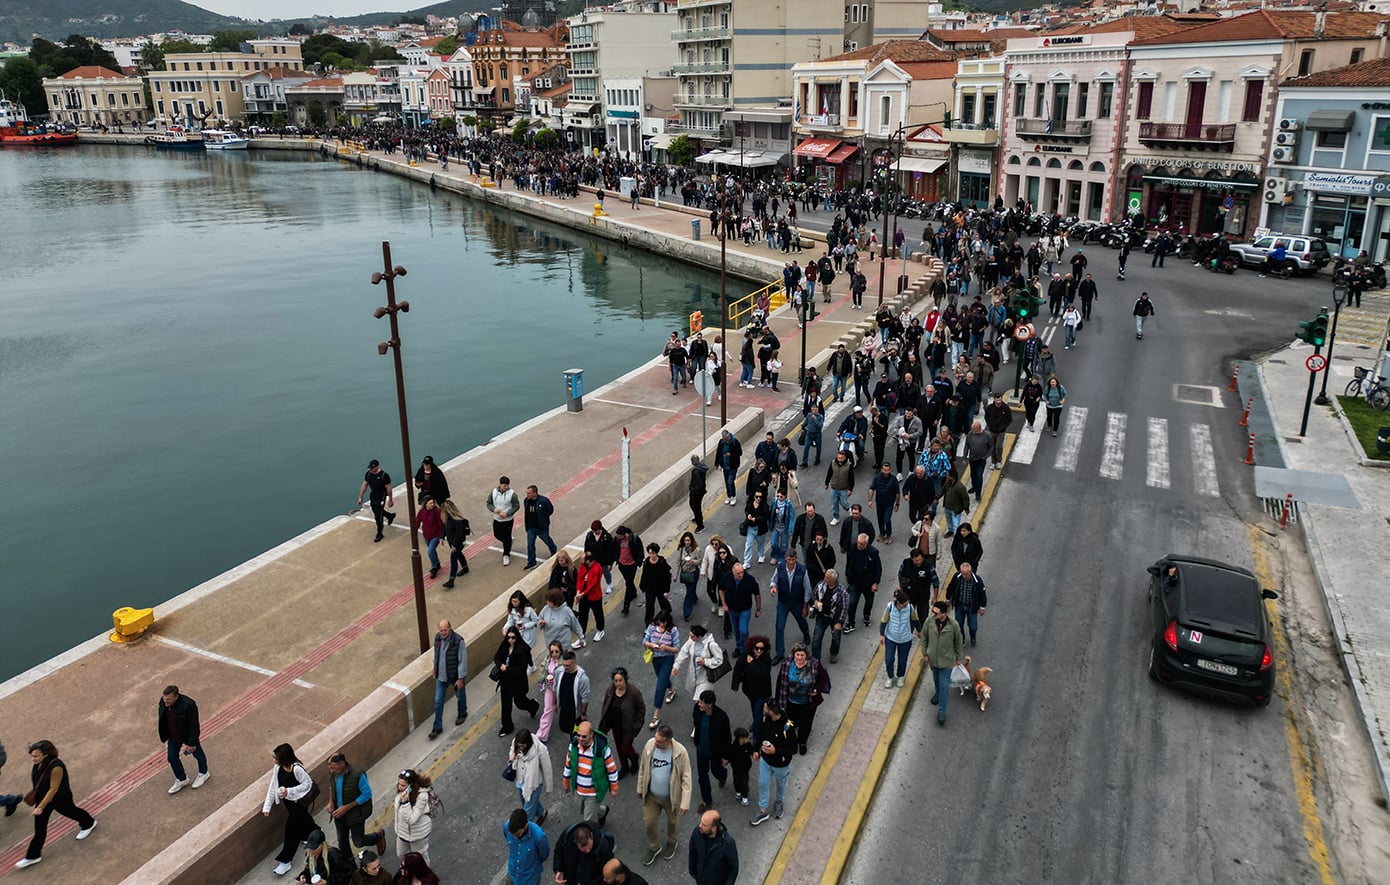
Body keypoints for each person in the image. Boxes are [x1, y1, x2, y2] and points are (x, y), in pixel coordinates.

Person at [16, 740, 96, 870]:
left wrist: (40, 807)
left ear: (46, 754)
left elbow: (53, 789)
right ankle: (33, 855)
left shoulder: (56, 767)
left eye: (36, 756)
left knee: (71, 812)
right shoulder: (38, 764)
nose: (33, 759)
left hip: (60, 798)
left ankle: (88, 823)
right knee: (40, 829)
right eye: (32, 756)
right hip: (44, 799)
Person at [636, 724, 692, 867]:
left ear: (668, 741)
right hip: (652, 796)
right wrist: (640, 787)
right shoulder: (650, 746)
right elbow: (643, 767)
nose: (655, 742)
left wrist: (685, 803)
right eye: (655, 739)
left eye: (659, 741)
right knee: (649, 823)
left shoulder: (680, 753)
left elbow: (686, 778)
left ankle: (672, 842)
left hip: (670, 798)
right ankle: (654, 847)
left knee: (672, 822)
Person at [260, 742, 314, 876]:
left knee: (291, 830)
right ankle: (312, 833)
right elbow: (273, 786)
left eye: (275, 757)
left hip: (298, 803)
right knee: (304, 820)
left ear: (283, 757)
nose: (274, 759)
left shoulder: (297, 769)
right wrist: (267, 806)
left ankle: (286, 860)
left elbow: (307, 784)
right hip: (289, 804)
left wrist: (288, 792)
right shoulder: (277, 768)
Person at [776, 645, 830, 755]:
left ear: (806, 655)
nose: (800, 657)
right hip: (791, 702)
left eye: (802, 655)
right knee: (791, 722)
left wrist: (816, 689)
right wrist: (778, 700)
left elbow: (823, 678)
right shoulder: (787, 664)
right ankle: (791, 740)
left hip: (808, 703)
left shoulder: (814, 664)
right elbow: (780, 682)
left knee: (806, 724)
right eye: (797, 655)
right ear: (793, 655)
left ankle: (802, 742)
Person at [749, 701, 797, 825]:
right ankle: (763, 810)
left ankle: (779, 802)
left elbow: (793, 749)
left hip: (781, 765)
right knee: (763, 783)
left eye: (765, 708)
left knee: (781, 784)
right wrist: (756, 750)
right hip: (765, 760)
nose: (763, 709)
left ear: (771, 711)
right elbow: (760, 735)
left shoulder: (787, 727)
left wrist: (776, 751)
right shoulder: (765, 720)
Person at [563, 721, 620, 824]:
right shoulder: (573, 745)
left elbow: (611, 768)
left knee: (588, 822)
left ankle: (592, 832)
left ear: (591, 734)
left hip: (593, 792)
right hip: (579, 790)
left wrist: (614, 787)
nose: (580, 739)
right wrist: (566, 781)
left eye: (584, 736)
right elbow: (568, 763)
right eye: (578, 735)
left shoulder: (602, 750)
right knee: (584, 809)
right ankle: (602, 811)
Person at [326, 752, 381, 856]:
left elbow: (367, 794)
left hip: (355, 815)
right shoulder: (333, 773)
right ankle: (350, 864)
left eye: (333, 768)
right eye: (330, 768)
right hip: (339, 814)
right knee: (342, 842)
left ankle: (378, 837)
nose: (331, 771)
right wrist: (331, 802)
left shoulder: (358, 775)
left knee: (358, 841)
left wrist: (346, 808)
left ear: (342, 764)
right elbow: (331, 787)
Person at [158, 685, 209, 795]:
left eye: (168, 699)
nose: (165, 702)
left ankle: (204, 773)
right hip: (173, 735)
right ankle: (182, 778)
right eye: (164, 699)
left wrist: (191, 743)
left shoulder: (189, 705)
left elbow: (194, 725)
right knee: (171, 757)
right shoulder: (163, 702)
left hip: (187, 735)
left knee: (198, 754)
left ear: (176, 697)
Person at [599, 668, 647, 778]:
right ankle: (624, 766)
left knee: (626, 747)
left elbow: (641, 709)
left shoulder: (633, 692)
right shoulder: (610, 691)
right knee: (619, 747)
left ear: (625, 679)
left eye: (620, 680)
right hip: (615, 725)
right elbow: (606, 705)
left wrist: (636, 725)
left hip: (628, 726)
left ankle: (634, 758)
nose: (618, 683)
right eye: (616, 681)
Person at [922, 600, 964, 725]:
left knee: (944, 685)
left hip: (947, 661)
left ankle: (942, 710)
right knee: (936, 680)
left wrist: (958, 659)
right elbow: (924, 637)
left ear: (944, 613)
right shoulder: (929, 622)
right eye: (932, 612)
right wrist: (925, 654)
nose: (933, 614)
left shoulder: (953, 625)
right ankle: (937, 693)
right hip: (933, 659)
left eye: (936, 613)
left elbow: (958, 642)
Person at [671, 624, 725, 721]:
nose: (690, 638)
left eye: (692, 636)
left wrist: (706, 662)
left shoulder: (711, 645)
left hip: (706, 677)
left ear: (699, 636)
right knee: (702, 700)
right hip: (694, 675)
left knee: (699, 699)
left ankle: (700, 720)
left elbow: (719, 659)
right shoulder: (692, 641)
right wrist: (676, 666)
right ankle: (706, 714)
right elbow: (684, 651)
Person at [691, 690, 732, 813]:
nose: (699, 704)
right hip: (701, 750)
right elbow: (696, 723)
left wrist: (726, 756)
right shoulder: (697, 710)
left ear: (709, 705)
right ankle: (706, 800)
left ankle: (722, 776)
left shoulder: (721, 717)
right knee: (702, 776)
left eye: (701, 702)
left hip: (715, 752)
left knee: (716, 770)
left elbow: (727, 738)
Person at [767, 550, 812, 663]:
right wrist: (773, 587)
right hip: (783, 603)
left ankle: (806, 635)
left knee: (801, 621)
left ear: (796, 558)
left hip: (797, 603)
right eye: (789, 559)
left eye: (793, 559)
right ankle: (779, 653)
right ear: (785, 558)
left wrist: (805, 606)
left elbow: (807, 589)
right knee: (779, 627)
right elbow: (774, 580)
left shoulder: (802, 570)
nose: (791, 562)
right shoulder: (780, 568)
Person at [494, 627, 540, 737]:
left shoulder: (522, 650)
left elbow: (521, 668)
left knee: (520, 702)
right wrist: (500, 665)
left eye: (513, 638)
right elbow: (496, 657)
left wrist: (507, 669)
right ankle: (507, 726)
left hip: (518, 682)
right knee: (506, 704)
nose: (510, 640)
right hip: (506, 681)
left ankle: (532, 706)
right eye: (508, 637)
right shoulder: (504, 646)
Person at [429, 619, 467, 739]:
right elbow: (437, 654)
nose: (443, 633)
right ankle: (437, 727)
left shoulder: (458, 641)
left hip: (454, 675)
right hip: (441, 676)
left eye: (445, 630)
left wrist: (460, 678)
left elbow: (462, 661)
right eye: (441, 630)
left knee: (460, 696)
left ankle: (462, 713)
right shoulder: (437, 638)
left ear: (450, 628)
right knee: (438, 701)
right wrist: (435, 668)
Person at [643, 611, 682, 730]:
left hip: (667, 659)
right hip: (655, 659)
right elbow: (645, 641)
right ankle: (671, 690)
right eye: (660, 622)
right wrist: (652, 645)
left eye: (664, 622)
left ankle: (656, 715)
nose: (661, 625)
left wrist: (666, 648)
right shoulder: (652, 627)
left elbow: (676, 649)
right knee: (662, 678)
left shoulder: (673, 630)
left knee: (660, 686)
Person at [510, 728, 553, 825]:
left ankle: (527, 829)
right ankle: (542, 813)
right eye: (519, 746)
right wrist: (512, 756)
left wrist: (549, 787)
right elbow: (512, 750)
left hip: (534, 784)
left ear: (528, 742)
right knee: (527, 803)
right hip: (520, 781)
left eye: (522, 746)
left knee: (527, 812)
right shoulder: (515, 742)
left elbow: (547, 769)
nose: (520, 748)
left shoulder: (540, 749)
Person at [879, 589, 921, 689]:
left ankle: (900, 676)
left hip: (905, 639)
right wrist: (882, 635)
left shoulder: (910, 608)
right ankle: (890, 677)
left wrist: (919, 631)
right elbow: (884, 621)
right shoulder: (890, 607)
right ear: (898, 602)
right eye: (904, 604)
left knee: (902, 660)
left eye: (907, 604)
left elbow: (915, 620)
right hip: (891, 638)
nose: (906, 605)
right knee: (889, 659)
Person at [554, 820, 616, 885]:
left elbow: (606, 874)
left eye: (589, 848)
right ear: (575, 842)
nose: (588, 851)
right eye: (584, 850)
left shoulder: (604, 848)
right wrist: (559, 869)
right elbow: (558, 851)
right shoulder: (567, 836)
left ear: (591, 835)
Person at [719, 561, 762, 654]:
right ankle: (738, 646)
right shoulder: (727, 578)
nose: (741, 575)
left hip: (745, 609)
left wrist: (758, 609)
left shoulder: (749, 580)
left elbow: (757, 594)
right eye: (738, 573)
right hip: (732, 609)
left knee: (743, 630)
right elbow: (721, 590)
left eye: (742, 572)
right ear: (733, 573)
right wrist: (724, 604)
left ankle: (745, 649)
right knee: (736, 630)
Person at [843, 533, 883, 632]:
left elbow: (878, 568)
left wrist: (876, 582)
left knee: (869, 601)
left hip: (868, 583)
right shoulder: (852, 549)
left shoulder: (873, 552)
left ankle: (866, 616)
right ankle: (851, 622)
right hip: (855, 582)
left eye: (861, 544)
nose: (859, 545)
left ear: (866, 543)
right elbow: (849, 563)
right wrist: (847, 575)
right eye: (858, 543)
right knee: (852, 603)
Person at [393, 769, 434, 863]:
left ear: (411, 786)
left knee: (420, 858)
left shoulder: (422, 796)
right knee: (401, 854)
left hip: (418, 834)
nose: (400, 787)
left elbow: (411, 819)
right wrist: (398, 829)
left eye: (403, 785)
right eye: (399, 784)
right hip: (403, 832)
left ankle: (425, 871)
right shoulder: (401, 794)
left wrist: (405, 803)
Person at [809, 569, 848, 663]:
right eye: (825, 576)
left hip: (835, 618)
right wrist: (815, 601)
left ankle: (834, 653)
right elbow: (813, 594)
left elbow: (844, 608)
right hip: (822, 616)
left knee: (836, 638)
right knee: (816, 639)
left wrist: (839, 623)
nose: (824, 579)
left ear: (833, 580)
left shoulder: (842, 592)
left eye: (827, 578)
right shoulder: (821, 585)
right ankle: (815, 660)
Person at [689, 810, 739, 885]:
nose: (700, 826)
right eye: (701, 822)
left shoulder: (727, 843)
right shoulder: (697, 833)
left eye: (704, 825)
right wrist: (692, 870)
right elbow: (692, 851)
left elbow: (733, 868)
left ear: (713, 828)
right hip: (701, 879)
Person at [945, 560, 987, 647]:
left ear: (970, 572)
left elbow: (982, 594)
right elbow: (950, 587)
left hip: (972, 607)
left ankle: (973, 636)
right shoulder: (957, 577)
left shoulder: (977, 581)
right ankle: (962, 639)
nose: (964, 576)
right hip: (960, 606)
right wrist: (948, 599)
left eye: (966, 574)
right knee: (958, 624)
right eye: (962, 573)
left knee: (973, 626)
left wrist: (982, 607)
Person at [504, 808, 551, 885]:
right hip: (513, 874)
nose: (515, 837)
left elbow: (544, 854)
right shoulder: (507, 827)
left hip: (529, 879)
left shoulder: (539, 836)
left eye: (517, 834)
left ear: (526, 825)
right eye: (513, 834)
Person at [485, 475, 522, 566]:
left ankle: (506, 555)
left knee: (507, 536)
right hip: (497, 519)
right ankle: (508, 541)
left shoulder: (512, 494)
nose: (506, 487)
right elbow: (489, 503)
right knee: (497, 535)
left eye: (507, 485)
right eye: (504, 485)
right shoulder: (493, 492)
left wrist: (507, 513)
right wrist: (493, 509)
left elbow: (516, 506)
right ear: (500, 484)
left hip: (508, 520)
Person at [357, 459, 396, 542]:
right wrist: (360, 497)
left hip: (381, 496)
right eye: (370, 468)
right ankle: (390, 516)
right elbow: (364, 485)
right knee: (376, 510)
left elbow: (388, 488)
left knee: (378, 516)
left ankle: (379, 533)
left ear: (377, 467)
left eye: (372, 468)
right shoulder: (368, 474)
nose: (371, 469)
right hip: (373, 495)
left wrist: (390, 500)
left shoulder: (384, 475)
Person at [555, 652, 593, 737]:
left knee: (575, 733)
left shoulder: (583, 679)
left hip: (574, 712)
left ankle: (574, 742)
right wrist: (555, 704)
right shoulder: (559, 671)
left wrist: (583, 713)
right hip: (564, 709)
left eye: (568, 665)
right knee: (564, 727)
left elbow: (585, 698)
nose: (565, 668)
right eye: (564, 665)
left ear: (574, 663)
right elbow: (555, 686)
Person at [576, 549, 607, 645]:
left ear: (588, 560)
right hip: (583, 596)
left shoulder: (597, 569)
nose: (581, 561)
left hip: (594, 596)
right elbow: (580, 578)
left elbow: (593, 585)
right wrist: (578, 592)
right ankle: (581, 635)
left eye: (582, 559)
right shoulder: (583, 565)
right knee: (582, 616)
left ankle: (600, 630)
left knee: (598, 614)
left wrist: (582, 594)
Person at [638, 542, 674, 625]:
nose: (651, 555)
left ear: (656, 553)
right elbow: (644, 575)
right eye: (650, 553)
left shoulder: (662, 562)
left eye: (653, 553)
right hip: (650, 588)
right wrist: (642, 586)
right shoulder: (646, 562)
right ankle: (648, 623)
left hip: (660, 588)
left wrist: (666, 590)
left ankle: (667, 618)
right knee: (649, 606)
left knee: (663, 604)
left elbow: (667, 578)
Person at [614, 525, 647, 617]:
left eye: (620, 536)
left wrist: (638, 561)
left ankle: (626, 605)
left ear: (625, 534)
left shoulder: (634, 539)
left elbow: (640, 550)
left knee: (628, 583)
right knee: (629, 581)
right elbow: (614, 549)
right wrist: (615, 559)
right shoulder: (617, 539)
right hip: (622, 565)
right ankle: (633, 593)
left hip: (631, 565)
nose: (618, 537)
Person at [523, 485, 557, 570]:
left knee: (547, 540)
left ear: (534, 493)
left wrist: (544, 520)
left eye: (529, 493)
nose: (527, 495)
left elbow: (550, 510)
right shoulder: (526, 501)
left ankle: (553, 550)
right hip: (531, 527)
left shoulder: (543, 501)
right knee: (530, 545)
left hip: (541, 527)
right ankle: (531, 562)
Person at [866, 463, 900, 544]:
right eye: (884, 470)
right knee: (880, 519)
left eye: (887, 470)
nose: (886, 472)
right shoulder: (877, 477)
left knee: (887, 520)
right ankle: (882, 533)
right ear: (881, 469)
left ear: (890, 470)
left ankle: (888, 535)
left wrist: (897, 504)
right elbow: (872, 488)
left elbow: (897, 493)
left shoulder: (893, 479)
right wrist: (870, 500)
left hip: (889, 503)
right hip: (879, 502)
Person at [440, 500, 471, 588]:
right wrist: (442, 537)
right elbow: (445, 529)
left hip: (458, 543)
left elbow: (459, 534)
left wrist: (454, 545)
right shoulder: (447, 520)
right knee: (458, 554)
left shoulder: (457, 521)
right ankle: (465, 567)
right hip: (453, 543)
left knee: (453, 560)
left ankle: (451, 580)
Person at [584, 520, 618, 596]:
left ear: (600, 529)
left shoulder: (607, 537)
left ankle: (609, 584)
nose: (595, 532)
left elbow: (610, 550)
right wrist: (587, 556)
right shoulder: (589, 535)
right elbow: (586, 547)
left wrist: (610, 563)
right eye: (593, 531)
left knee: (606, 573)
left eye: (596, 531)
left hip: (604, 561)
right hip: (593, 561)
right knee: (594, 575)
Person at [675, 532, 703, 621]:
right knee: (690, 589)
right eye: (685, 540)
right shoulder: (681, 550)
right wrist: (675, 576)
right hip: (685, 573)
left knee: (689, 592)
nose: (687, 542)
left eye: (688, 540)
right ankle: (694, 598)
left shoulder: (696, 550)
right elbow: (678, 562)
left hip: (693, 573)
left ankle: (687, 612)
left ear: (691, 540)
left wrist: (692, 562)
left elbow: (700, 561)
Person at [823, 450, 855, 523]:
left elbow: (851, 478)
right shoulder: (833, 463)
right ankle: (836, 517)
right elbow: (829, 473)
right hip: (834, 488)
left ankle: (849, 509)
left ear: (845, 458)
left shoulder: (849, 465)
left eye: (841, 458)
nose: (839, 459)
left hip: (843, 488)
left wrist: (850, 489)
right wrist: (826, 483)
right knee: (834, 504)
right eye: (838, 458)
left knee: (843, 502)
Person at [416, 496, 444, 579]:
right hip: (426, 535)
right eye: (430, 503)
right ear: (425, 504)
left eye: (433, 503)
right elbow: (417, 521)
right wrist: (414, 531)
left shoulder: (437, 511)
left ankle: (434, 567)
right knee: (432, 550)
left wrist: (441, 536)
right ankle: (437, 562)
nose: (432, 504)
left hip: (436, 535)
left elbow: (440, 524)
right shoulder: (421, 512)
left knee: (430, 550)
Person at [982, 392, 1011, 470]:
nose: (998, 402)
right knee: (992, 447)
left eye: (1000, 400)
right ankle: (993, 461)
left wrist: (1003, 426)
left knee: (998, 446)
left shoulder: (1006, 408)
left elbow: (1009, 419)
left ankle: (999, 461)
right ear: (994, 400)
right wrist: (989, 425)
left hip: (1001, 431)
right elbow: (986, 417)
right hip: (992, 430)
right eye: (997, 400)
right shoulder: (990, 408)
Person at [715, 430, 743, 505]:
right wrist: (716, 463)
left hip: (733, 466)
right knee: (726, 482)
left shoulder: (735, 442)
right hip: (725, 466)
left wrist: (731, 454)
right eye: (724, 439)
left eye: (726, 438)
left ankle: (733, 496)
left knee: (730, 481)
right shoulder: (721, 442)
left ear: (728, 436)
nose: (725, 440)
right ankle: (729, 496)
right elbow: (718, 452)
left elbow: (740, 453)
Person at [939, 470, 970, 536]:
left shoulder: (960, 487)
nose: (947, 476)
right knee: (949, 521)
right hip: (947, 507)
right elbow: (943, 489)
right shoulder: (948, 483)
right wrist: (936, 497)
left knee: (956, 525)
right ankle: (950, 531)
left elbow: (965, 498)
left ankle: (956, 537)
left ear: (952, 477)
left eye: (948, 475)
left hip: (956, 510)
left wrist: (966, 508)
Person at [688, 455, 708, 532]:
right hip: (699, 491)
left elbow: (698, 483)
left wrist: (693, 490)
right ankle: (698, 518)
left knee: (696, 508)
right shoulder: (701, 468)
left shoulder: (696, 472)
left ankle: (700, 526)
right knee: (693, 505)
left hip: (696, 493)